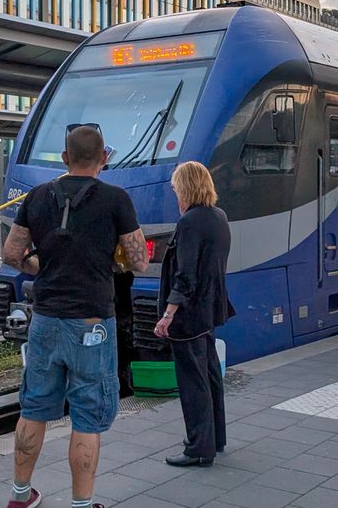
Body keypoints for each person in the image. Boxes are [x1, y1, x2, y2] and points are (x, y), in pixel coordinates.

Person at [0, 124, 148, 508]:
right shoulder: (117, 199)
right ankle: (82, 504)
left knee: (34, 406)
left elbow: (12, 255)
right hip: (92, 321)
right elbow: (140, 261)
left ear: (64, 159)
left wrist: (44, 265)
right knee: (87, 414)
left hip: (45, 318)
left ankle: (20, 495)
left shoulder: (37, 195)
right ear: (104, 157)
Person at [154, 161, 233, 468]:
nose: (175, 194)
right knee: (211, 374)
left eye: (176, 188)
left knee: (192, 380)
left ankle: (199, 448)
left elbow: (185, 275)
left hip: (188, 315)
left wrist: (168, 314)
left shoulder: (190, 222)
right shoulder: (219, 217)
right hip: (210, 309)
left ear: (184, 188)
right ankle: (216, 437)